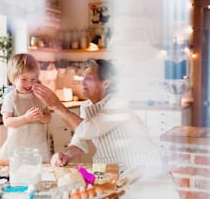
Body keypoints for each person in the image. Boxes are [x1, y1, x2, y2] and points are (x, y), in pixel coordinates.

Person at [33, 58, 163, 172]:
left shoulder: (119, 103)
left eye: (88, 78)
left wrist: (57, 105)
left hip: (140, 167)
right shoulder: (87, 106)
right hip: (112, 169)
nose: (82, 82)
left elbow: (89, 130)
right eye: (82, 77)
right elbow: (79, 143)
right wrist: (66, 155)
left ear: (106, 83)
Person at [0, 53, 51, 162]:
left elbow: (48, 118)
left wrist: (41, 117)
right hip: (17, 148)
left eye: (33, 79)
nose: (29, 84)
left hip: (37, 146)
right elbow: (7, 122)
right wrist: (26, 118)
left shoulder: (38, 96)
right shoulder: (11, 98)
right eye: (24, 79)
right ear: (13, 78)